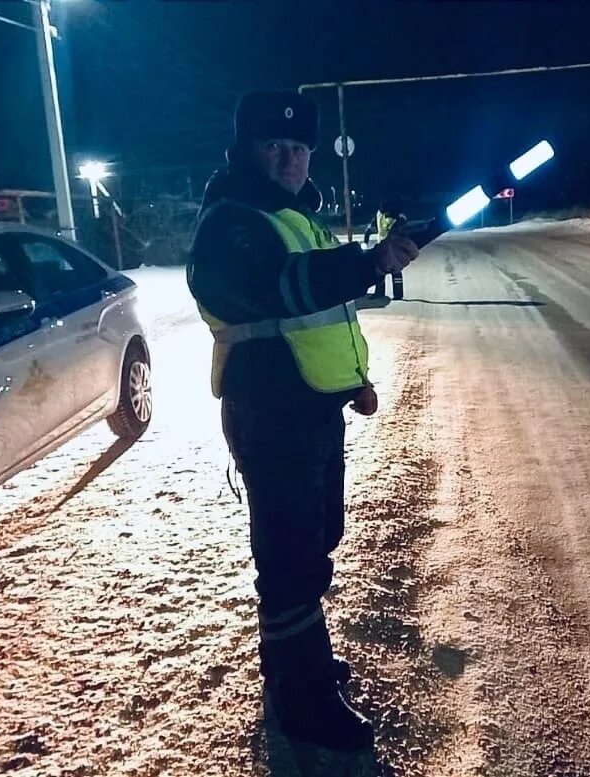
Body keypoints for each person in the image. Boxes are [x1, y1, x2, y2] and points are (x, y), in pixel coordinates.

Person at [186, 90, 419, 752]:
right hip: (271, 412)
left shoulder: (294, 217)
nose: (289, 159)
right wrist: (367, 261)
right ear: (247, 150)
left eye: (299, 148)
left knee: (314, 546)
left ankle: (301, 663)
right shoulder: (232, 222)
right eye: (274, 146)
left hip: (311, 406)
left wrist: (355, 383)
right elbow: (282, 288)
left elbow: (320, 317)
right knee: (289, 559)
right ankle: (301, 699)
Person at [362, 200, 407, 299]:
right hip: (382, 246)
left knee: (395, 270)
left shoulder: (398, 217)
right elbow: (369, 228)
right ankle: (380, 293)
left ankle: (398, 294)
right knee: (379, 271)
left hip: (394, 246)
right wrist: (365, 241)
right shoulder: (379, 215)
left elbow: (403, 228)